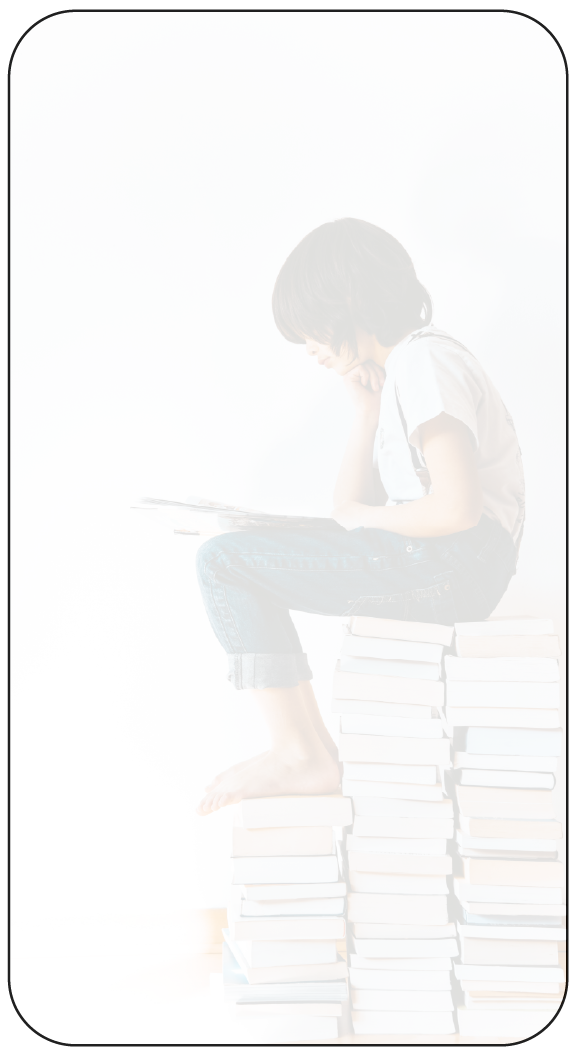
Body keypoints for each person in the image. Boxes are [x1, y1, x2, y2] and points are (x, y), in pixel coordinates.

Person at [195, 218, 524, 815]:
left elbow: (456, 507)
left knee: (225, 562)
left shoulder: (427, 362)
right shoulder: (405, 374)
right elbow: (346, 510)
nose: (309, 350)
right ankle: (308, 748)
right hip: (442, 558)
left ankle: (300, 752)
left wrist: (358, 518)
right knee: (236, 553)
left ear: (346, 304)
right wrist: (366, 412)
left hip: (456, 560)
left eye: (309, 331)